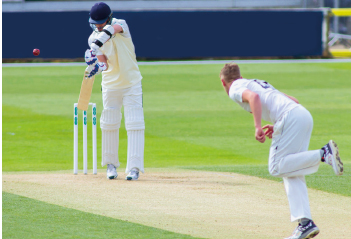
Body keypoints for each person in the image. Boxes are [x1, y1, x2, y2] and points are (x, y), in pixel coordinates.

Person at [219, 63, 343, 239]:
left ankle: (323, 154)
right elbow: (294, 100)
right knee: (292, 170)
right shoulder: (254, 82)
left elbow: (253, 98)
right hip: (301, 115)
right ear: (239, 75)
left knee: (276, 166)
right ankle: (305, 223)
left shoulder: (235, 88)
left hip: (290, 118)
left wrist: (258, 127)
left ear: (224, 82)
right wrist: (277, 124)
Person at [84, 2, 145, 180]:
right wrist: (95, 65)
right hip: (110, 85)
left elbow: (111, 30)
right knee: (109, 123)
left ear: (109, 18)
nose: (98, 26)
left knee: (135, 124)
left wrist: (96, 44)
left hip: (132, 83)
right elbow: (105, 64)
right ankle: (110, 166)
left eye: (101, 22)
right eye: (96, 23)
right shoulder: (91, 38)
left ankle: (134, 168)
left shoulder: (121, 25)